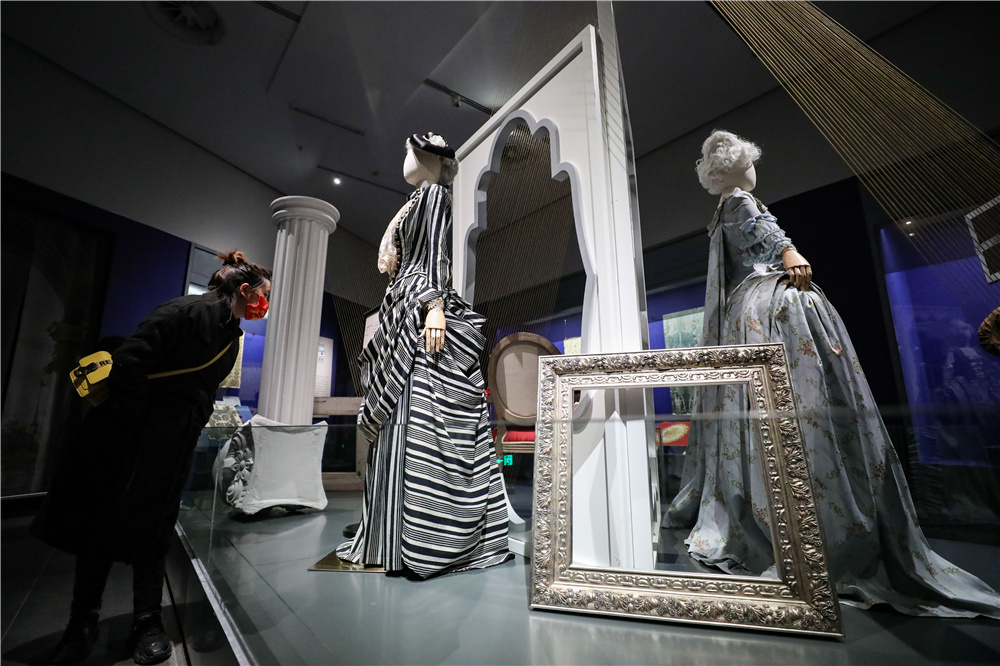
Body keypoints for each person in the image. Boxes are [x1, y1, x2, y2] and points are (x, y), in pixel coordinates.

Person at [666, 129, 1000, 618]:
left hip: (743, 309)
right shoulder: (739, 200)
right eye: (750, 164)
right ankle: (826, 513)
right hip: (766, 306)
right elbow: (764, 232)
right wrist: (789, 252)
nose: (753, 172)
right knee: (802, 380)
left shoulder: (721, 211)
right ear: (738, 168)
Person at [33, 251, 272, 663]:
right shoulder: (186, 311)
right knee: (100, 528)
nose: (264, 304)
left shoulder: (230, 335)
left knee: (156, 528)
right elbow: (130, 361)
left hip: (170, 446)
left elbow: (203, 390)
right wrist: (146, 425)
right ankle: (82, 622)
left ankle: (147, 620)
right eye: (264, 295)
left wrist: (183, 426)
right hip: (127, 442)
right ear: (245, 290)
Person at [337, 132, 511, 578]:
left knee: (420, 422)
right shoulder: (417, 199)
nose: (404, 159)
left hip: (419, 311)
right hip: (403, 309)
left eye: (409, 152)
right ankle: (391, 537)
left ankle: (423, 538)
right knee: (401, 422)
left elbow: (436, 258)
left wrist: (434, 307)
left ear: (428, 157)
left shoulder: (433, 196)